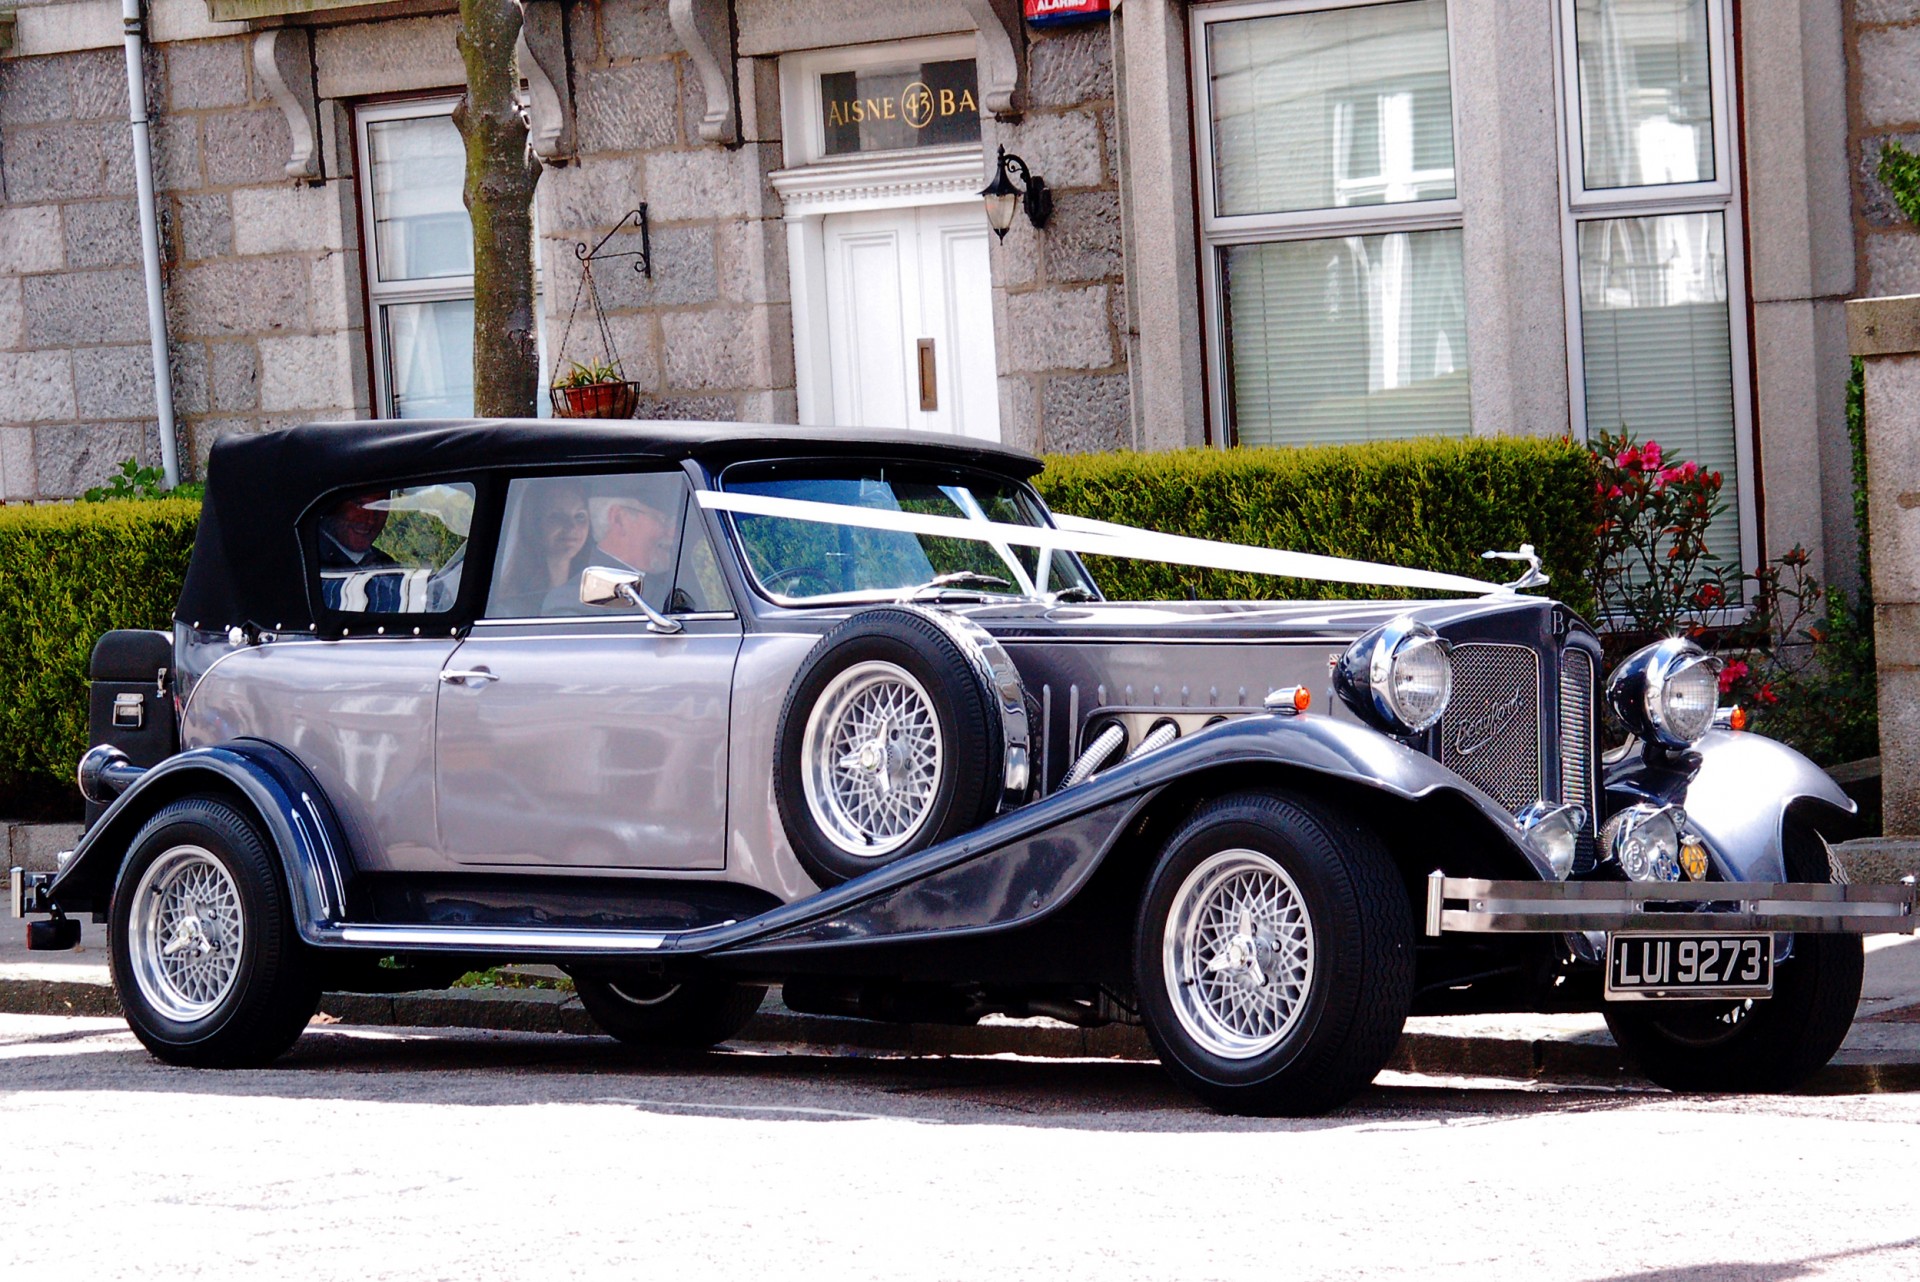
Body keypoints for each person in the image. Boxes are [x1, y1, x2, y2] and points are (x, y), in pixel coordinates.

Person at [491, 480, 591, 617]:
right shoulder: (508, 609)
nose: (572, 526)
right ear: (533, 524)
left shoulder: (595, 594)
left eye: (579, 516)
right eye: (556, 516)